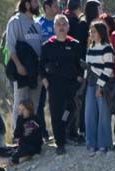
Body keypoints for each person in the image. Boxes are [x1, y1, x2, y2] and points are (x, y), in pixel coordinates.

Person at [40, 14, 84, 154]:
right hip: (54, 85)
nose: (61, 27)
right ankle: (60, 143)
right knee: (55, 113)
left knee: (70, 109)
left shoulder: (74, 44)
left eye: (64, 24)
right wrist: (45, 80)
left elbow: (81, 64)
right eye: (58, 24)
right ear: (54, 27)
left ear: (68, 27)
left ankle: (64, 128)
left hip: (71, 84)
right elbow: (41, 66)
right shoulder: (48, 46)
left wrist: (79, 77)